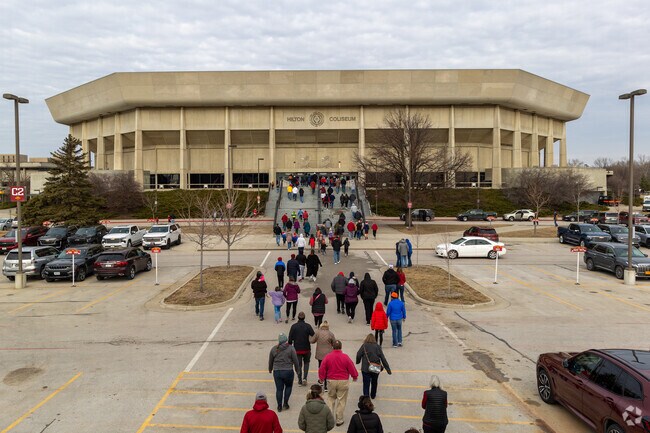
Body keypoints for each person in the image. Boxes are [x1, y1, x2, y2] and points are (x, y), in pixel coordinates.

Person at [318, 340, 358, 426]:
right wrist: (355, 376)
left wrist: (321, 378)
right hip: (343, 381)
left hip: (331, 380)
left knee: (330, 398)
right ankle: (339, 419)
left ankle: (328, 419)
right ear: (341, 347)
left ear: (332, 347)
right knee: (341, 400)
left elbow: (322, 368)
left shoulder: (328, 357)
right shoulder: (345, 357)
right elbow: (351, 367)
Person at [269, 333, 300, 413]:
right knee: (288, 387)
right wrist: (297, 370)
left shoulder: (274, 349)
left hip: (277, 372)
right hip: (288, 371)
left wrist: (270, 369)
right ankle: (285, 403)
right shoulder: (291, 349)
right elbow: (295, 360)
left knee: (279, 389)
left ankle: (279, 406)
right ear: (286, 340)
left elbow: (270, 361)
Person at [355, 334, 391, 399]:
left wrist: (358, 361)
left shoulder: (364, 346)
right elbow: (383, 358)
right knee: (374, 382)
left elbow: (358, 354)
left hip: (365, 368)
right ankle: (373, 395)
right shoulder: (377, 347)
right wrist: (388, 369)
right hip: (376, 368)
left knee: (366, 384)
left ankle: (366, 397)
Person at [289, 312, 315, 386]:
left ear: (298, 317)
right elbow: (313, 335)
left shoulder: (294, 326)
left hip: (297, 349)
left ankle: (299, 379)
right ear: (304, 318)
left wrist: (290, 346)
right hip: (306, 348)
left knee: (298, 364)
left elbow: (290, 339)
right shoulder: (308, 326)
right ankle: (305, 378)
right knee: (306, 363)